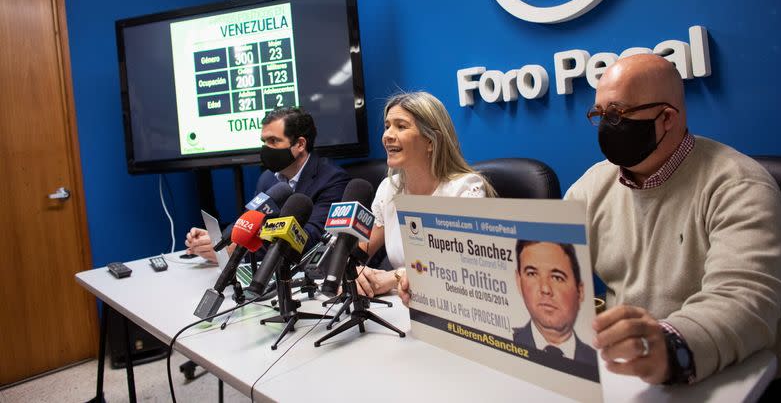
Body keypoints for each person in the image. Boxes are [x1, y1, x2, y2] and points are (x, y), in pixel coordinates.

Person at [565, 53, 781, 386]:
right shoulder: (592, 186)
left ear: (667, 118)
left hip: (750, 375)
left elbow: (744, 302)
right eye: (599, 114)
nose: (607, 125)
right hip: (636, 371)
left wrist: (670, 346)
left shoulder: (739, 185)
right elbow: (554, 263)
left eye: (618, 113)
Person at [357, 91, 495, 298]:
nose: (387, 135)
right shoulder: (389, 188)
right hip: (401, 309)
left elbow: (459, 268)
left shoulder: (465, 190)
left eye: (401, 126)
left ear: (431, 141)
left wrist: (393, 277)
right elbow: (359, 251)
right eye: (387, 126)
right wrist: (355, 271)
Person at [186, 107, 350, 262]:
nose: (266, 149)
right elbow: (248, 220)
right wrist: (219, 240)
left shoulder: (332, 180)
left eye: (273, 141)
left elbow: (310, 242)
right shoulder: (267, 178)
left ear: (300, 144)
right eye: (264, 141)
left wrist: (236, 250)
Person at [513, 240, 598, 378]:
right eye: (532, 274)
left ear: (580, 291)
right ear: (518, 281)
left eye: (557, 277)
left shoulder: (596, 361)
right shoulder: (507, 342)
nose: (545, 289)